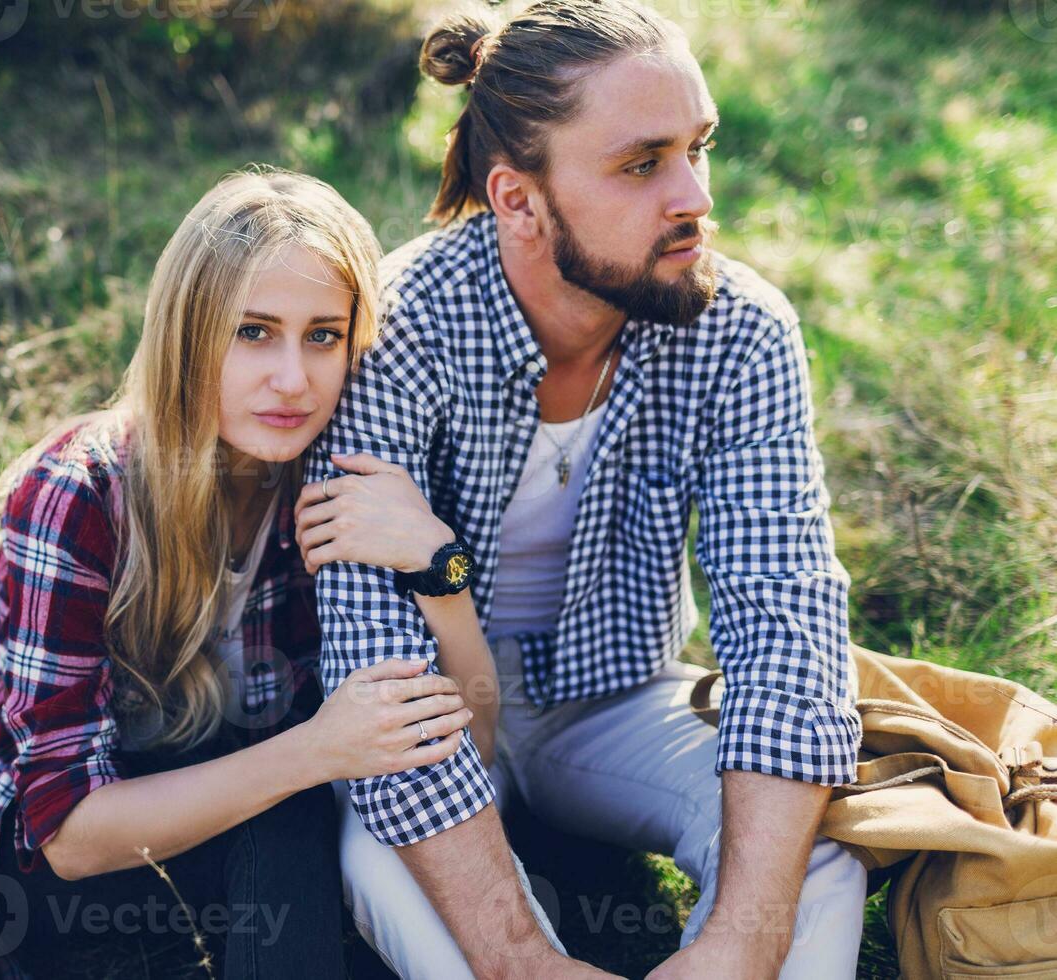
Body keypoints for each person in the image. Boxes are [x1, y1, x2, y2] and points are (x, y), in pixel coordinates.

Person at [299, 2, 869, 977]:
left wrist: (742, 936)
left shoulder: (742, 331)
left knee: (815, 854)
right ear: (518, 200)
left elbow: (788, 634)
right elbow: (380, 680)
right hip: (436, 699)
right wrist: (527, 958)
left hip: (618, 693)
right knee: (384, 862)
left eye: (699, 148)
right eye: (642, 164)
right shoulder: (392, 332)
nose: (694, 196)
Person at [0, 169, 553, 980]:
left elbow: (466, 742)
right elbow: (66, 834)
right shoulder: (81, 494)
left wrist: (435, 564)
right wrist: (317, 750)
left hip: (227, 794)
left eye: (323, 336)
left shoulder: (339, 488)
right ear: (187, 333)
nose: (294, 380)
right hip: (27, 850)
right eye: (253, 332)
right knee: (297, 801)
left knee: (298, 824)